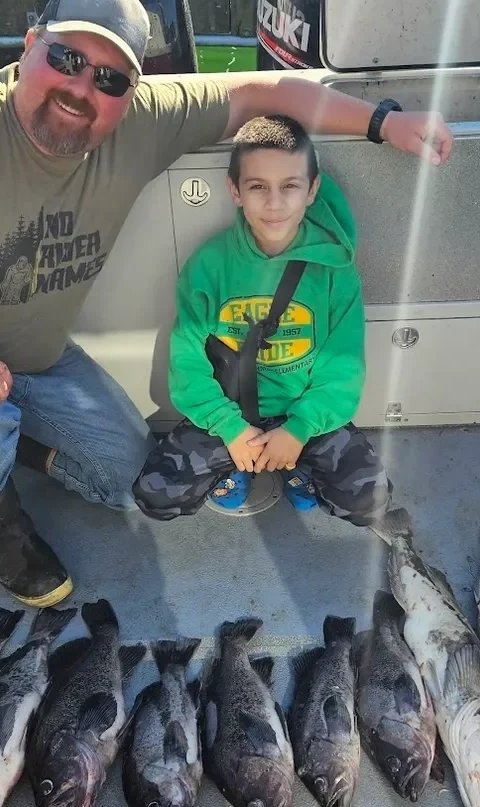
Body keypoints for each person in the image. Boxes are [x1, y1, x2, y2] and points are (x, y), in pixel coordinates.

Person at [0, 0, 453, 609]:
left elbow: (269, 89)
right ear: (31, 45)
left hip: (36, 360)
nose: (83, 86)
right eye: (66, 58)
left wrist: (383, 122)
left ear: (133, 92)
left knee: (130, 484)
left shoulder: (141, 122)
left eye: (111, 77)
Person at [132, 114, 390, 525]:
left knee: (369, 502)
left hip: (303, 414)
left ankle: (296, 465)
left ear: (312, 190)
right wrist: (230, 429)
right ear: (234, 190)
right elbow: (188, 361)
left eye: (290, 186)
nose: (274, 203)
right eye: (258, 187)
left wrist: (300, 429)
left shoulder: (335, 271)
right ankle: (237, 463)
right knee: (157, 498)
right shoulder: (209, 266)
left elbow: (343, 366)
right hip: (230, 413)